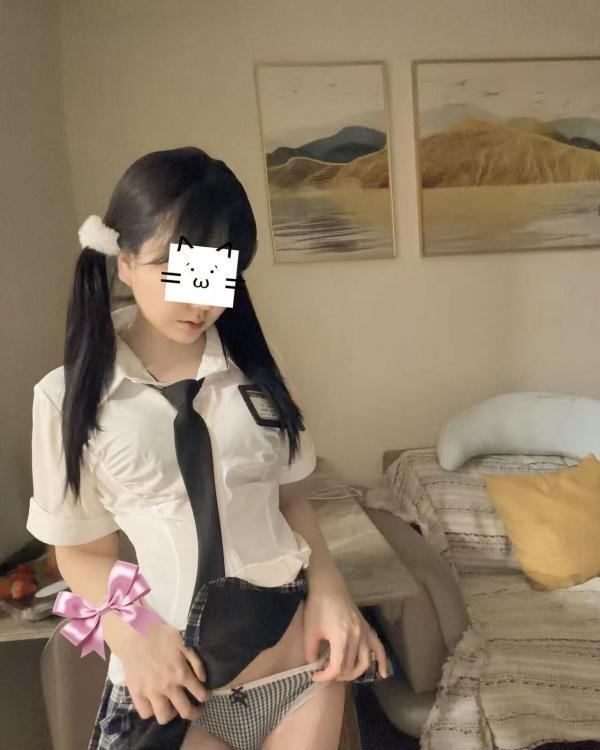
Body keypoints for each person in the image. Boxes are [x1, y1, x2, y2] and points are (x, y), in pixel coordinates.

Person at [26, 146, 389, 750]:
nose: (201, 299)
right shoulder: (67, 399)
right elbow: (80, 553)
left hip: (298, 670)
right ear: (124, 261)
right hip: (170, 691)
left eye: (218, 271)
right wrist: (132, 631)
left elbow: (290, 502)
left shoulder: (261, 373)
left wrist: (333, 593)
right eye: (178, 268)